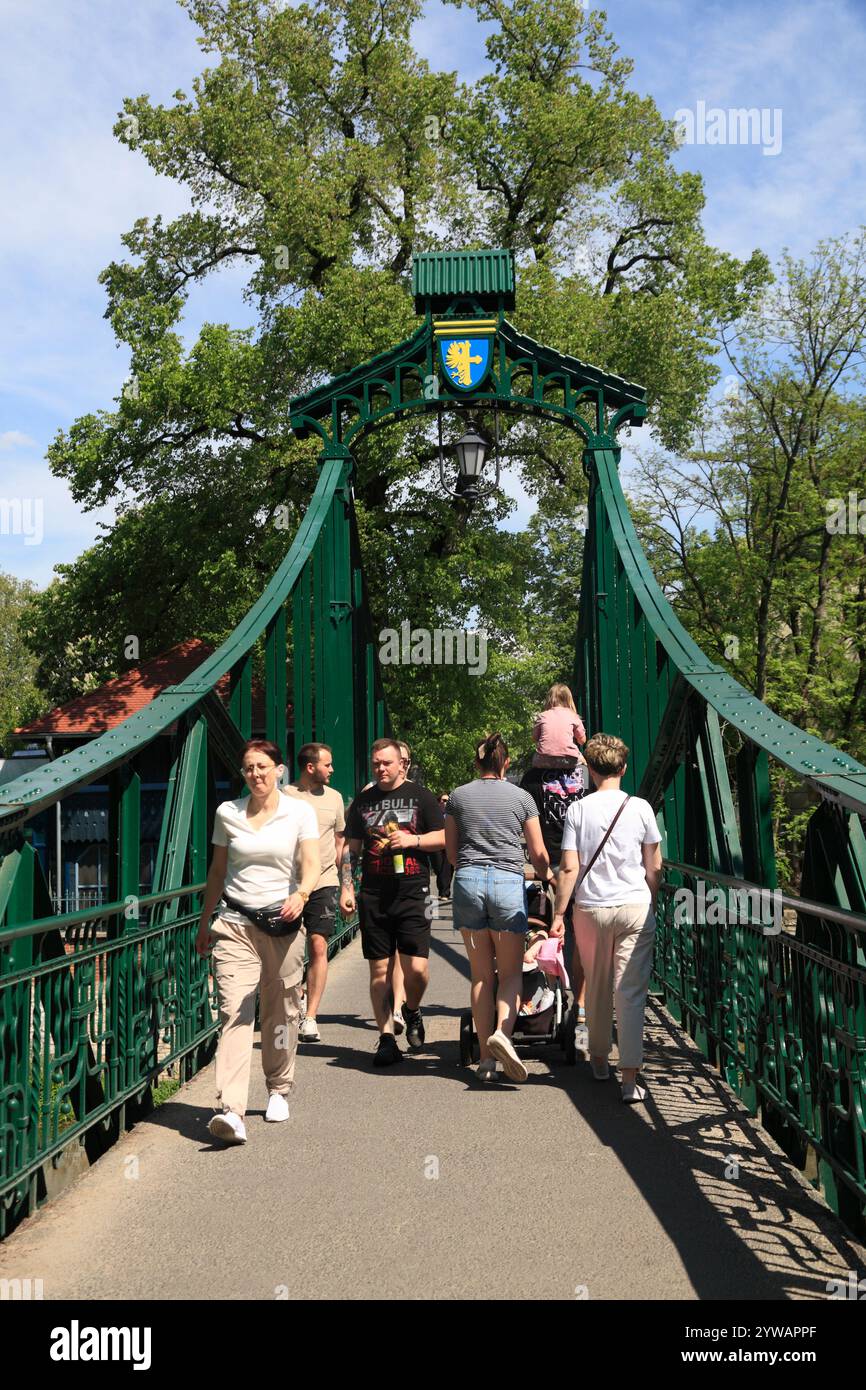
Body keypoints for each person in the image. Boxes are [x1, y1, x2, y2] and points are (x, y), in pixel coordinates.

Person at [196, 739, 321, 1144]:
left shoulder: (298, 812)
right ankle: (231, 1110)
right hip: (234, 924)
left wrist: (301, 895)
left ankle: (278, 1087)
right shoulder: (226, 813)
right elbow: (217, 871)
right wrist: (204, 921)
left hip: (282, 926)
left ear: (280, 769)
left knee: (281, 1011)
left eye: (263, 767)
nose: (256, 775)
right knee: (234, 1011)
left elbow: (312, 863)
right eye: (249, 768)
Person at [552, 733, 662, 1104]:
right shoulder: (641, 807)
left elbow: (569, 868)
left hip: (591, 909)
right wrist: (651, 898)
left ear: (590, 769)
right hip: (634, 905)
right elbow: (655, 866)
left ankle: (599, 1060)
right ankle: (629, 1079)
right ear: (624, 767)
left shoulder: (577, 810)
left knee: (596, 984)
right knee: (629, 992)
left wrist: (557, 914)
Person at [445, 732, 553, 1084]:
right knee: (509, 974)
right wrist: (549, 877)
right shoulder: (522, 797)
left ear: (477, 763)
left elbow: (450, 853)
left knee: (481, 976)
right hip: (507, 883)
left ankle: (486, 1060)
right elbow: (538, 854)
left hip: (469, 882)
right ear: (506, 762)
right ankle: (503, 1035)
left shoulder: (459, 796)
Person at [340, 738, 446, 1066]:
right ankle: (386, 1038)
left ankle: (411, 1010)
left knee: (417, 968)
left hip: (414, 892)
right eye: (376, 764)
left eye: (386, 763)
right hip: (374, 893)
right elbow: (350, 848)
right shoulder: (364, 801)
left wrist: (412, 839)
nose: (380, 769)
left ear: (402, 764)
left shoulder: (422, 797)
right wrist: (346, 886)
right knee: (379, 970)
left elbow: (444, 837)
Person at [283, 742, 346, 1043]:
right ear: (311, 767)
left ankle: (310, 1017)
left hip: (323, 880)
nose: (333, 769)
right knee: (290, 952)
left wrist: (346, 885)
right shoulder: (283, 797)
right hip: (288, 885)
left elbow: (340, 845)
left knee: (318, 946)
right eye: (328, 764)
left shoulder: (334, 798)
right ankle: (290, 1005)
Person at [532, 683, 587, 770]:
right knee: (583, 762)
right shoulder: (573, 716)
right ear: (569, 699)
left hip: (544, 759)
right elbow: (582, 741)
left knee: (535, 758)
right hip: (568, 758)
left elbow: (534, 738)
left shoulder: (542, 716)